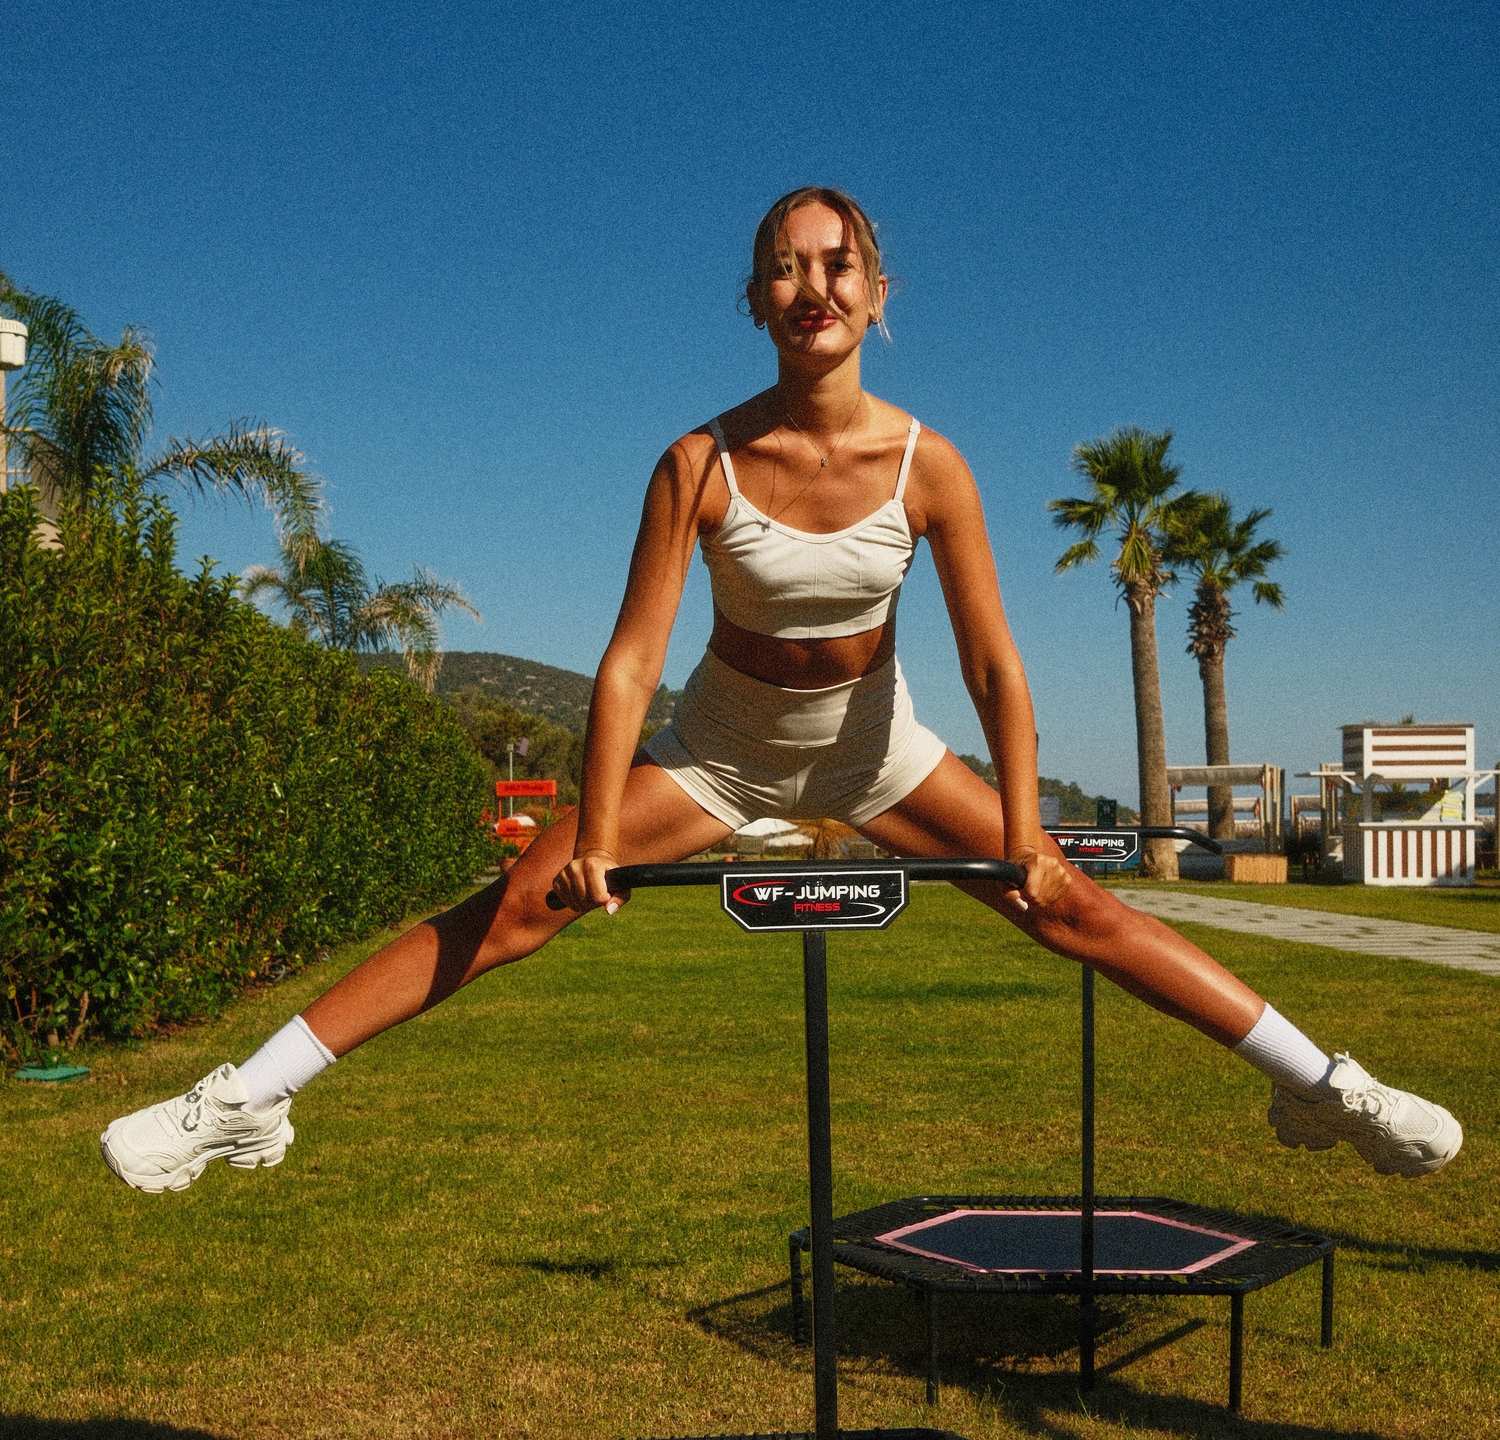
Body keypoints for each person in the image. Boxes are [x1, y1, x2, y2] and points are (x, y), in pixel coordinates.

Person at [101, 186, 1461, 1193]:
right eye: (784, 269)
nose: (813, 287)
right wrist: (585, 835)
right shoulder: (696, 462)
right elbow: (633, 654)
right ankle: (248, 1100)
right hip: (719, 756)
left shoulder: (934, 466)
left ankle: (1326, 1091)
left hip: (877, 752)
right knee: (515, 906)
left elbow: (995, 660)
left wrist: (1030, 831)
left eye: (837, 265)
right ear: (755, 301)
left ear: (876, 294)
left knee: (1075, 906)